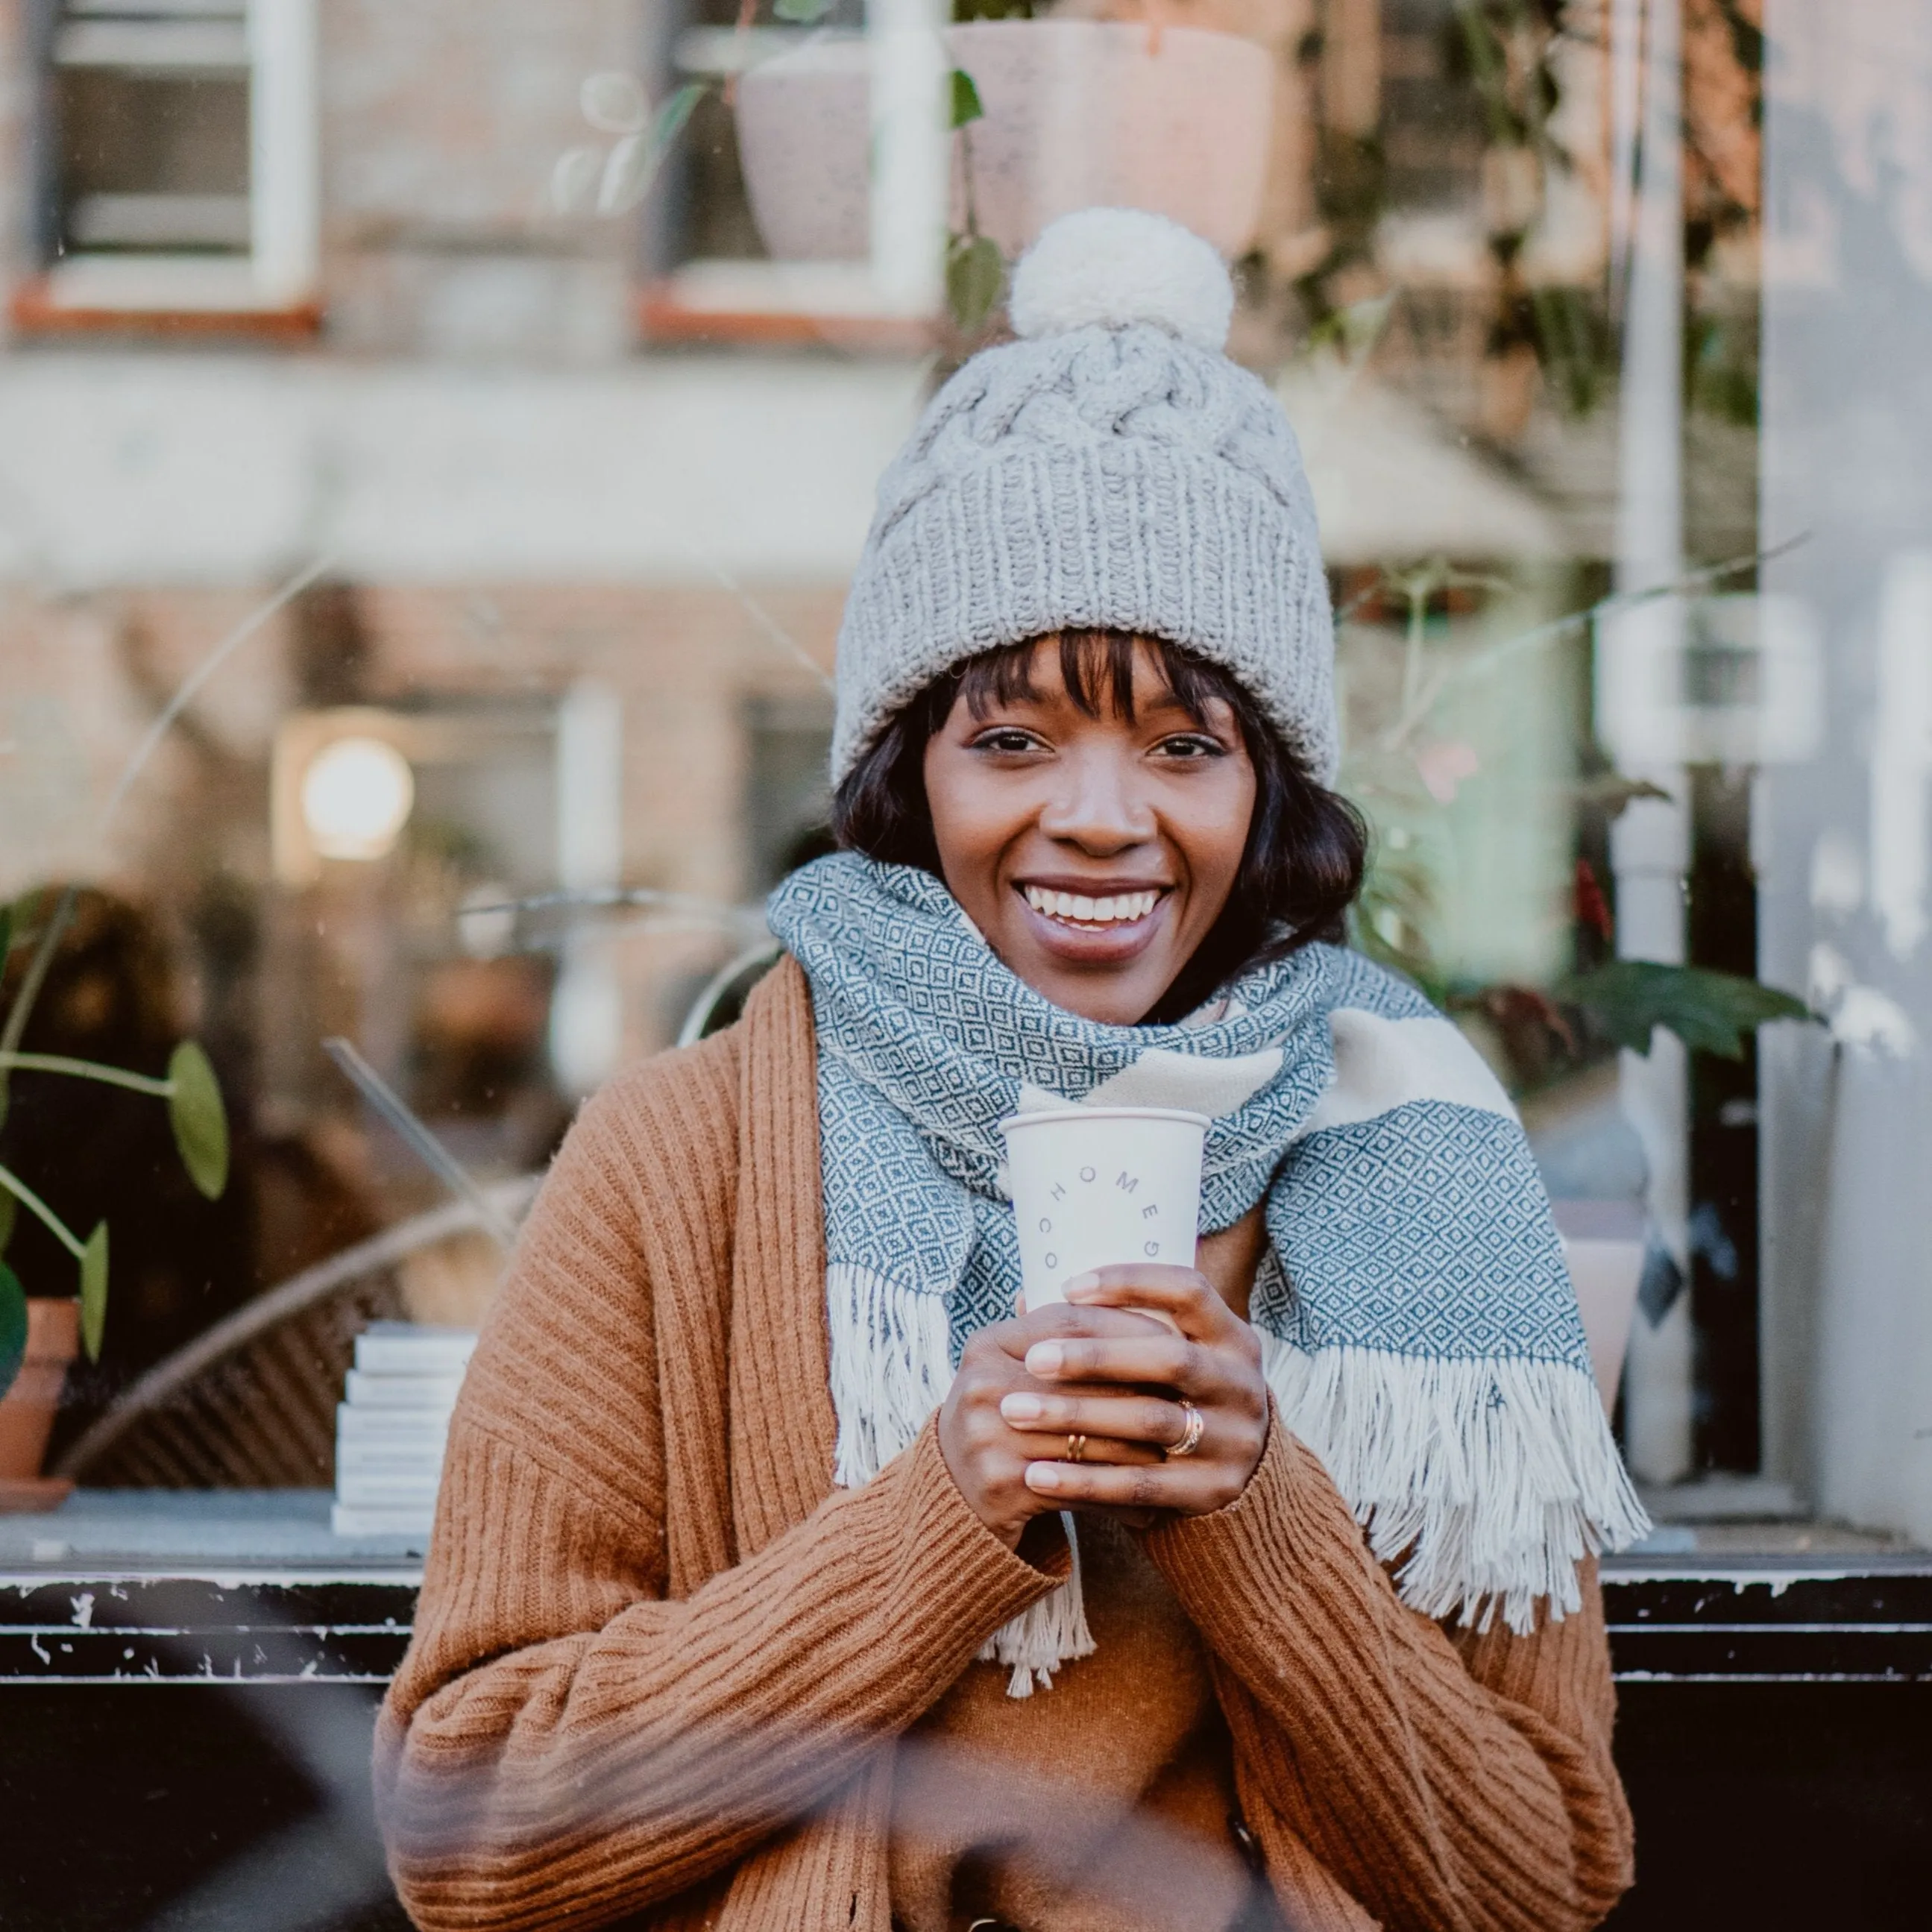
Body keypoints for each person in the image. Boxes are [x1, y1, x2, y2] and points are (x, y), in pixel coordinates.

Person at [377, 210, 1646, 1932]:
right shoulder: (683, 1160)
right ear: (911, 773)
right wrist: (932, 1513)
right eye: (1013, 736)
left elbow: (1547, 1874)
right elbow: (466, 1830)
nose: (1102, 815)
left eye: (1185, 741)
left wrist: (1254, 1515)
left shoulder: (1412, 1160)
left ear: (1266, 792)